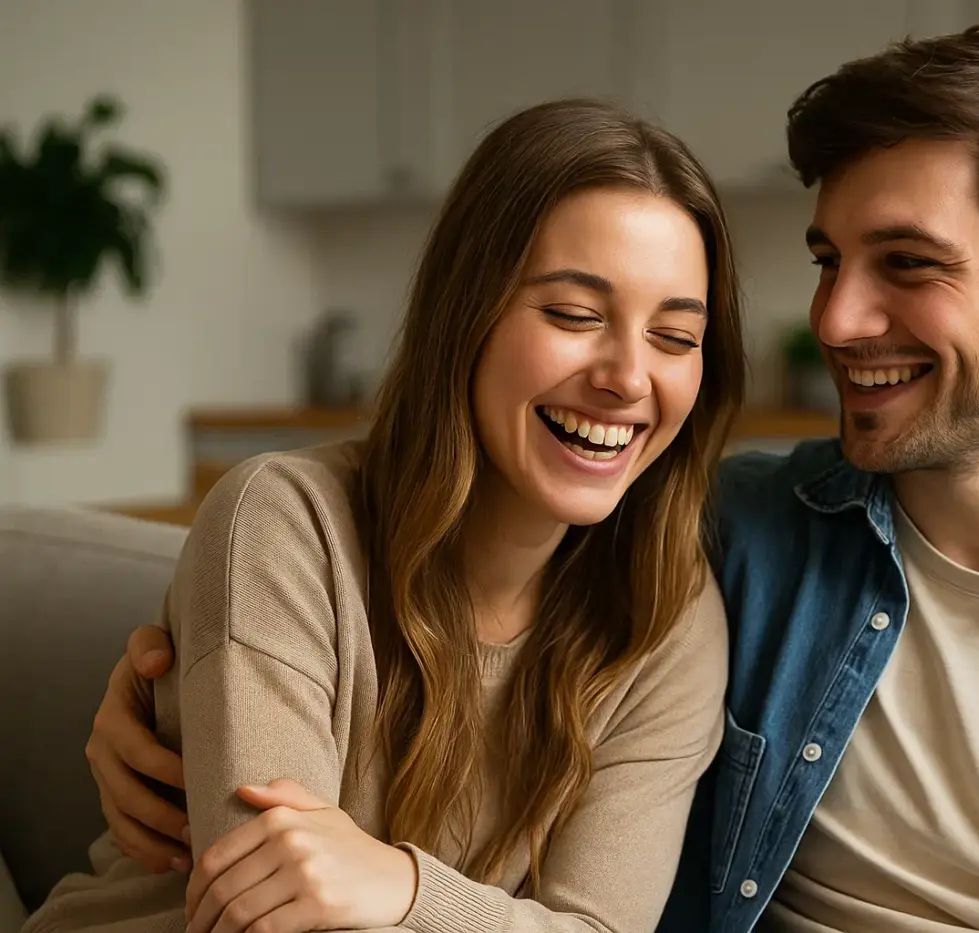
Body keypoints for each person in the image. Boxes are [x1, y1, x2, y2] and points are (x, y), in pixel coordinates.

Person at [87, 22, 979, 933]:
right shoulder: (726, 538)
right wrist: (160, 699)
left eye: (908, 265)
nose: (838, 319)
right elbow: (414, 563)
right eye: (827, 259)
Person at [23, 97, 746, 933]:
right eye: (574, 315)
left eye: (675, 337)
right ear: (464, 314)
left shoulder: (669, 613)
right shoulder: (285, 523)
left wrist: (402, 887)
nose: (628, 376)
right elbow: (270, 916)